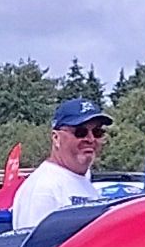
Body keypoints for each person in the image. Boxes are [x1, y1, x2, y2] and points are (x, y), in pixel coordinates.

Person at [6, 93, 109, 238]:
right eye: (80, 132)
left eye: (97, 132)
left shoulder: (85, 184)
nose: (90, 139)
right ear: (56, 138)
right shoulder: (43, 188)